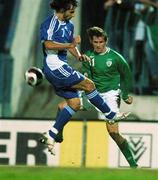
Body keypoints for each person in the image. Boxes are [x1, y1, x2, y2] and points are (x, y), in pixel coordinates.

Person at [39, 0, 128, 155]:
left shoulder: (69, 25)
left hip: (60, 66)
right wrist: (69, 45)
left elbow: (72, 46)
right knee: (89, 85)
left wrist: (79, 56)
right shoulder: (50, 23)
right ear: (63, 10)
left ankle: (51, 134)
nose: (73, 15)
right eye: (71, 12)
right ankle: (110, 114)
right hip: (55, 66)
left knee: (73, 103)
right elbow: (48, 45)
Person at [55, 26, 138, 168]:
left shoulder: (116, 57)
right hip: (93, 93)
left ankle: (133, 165)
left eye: (101, 42)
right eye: (95, 42)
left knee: (113, 132)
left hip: (111, 95)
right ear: (91, 42)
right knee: (61, 107)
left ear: (106, 41)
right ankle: (58, 134)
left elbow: (127, 75)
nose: (98, 45)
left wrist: (124, 95)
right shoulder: (88, 56)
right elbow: (87, 79)